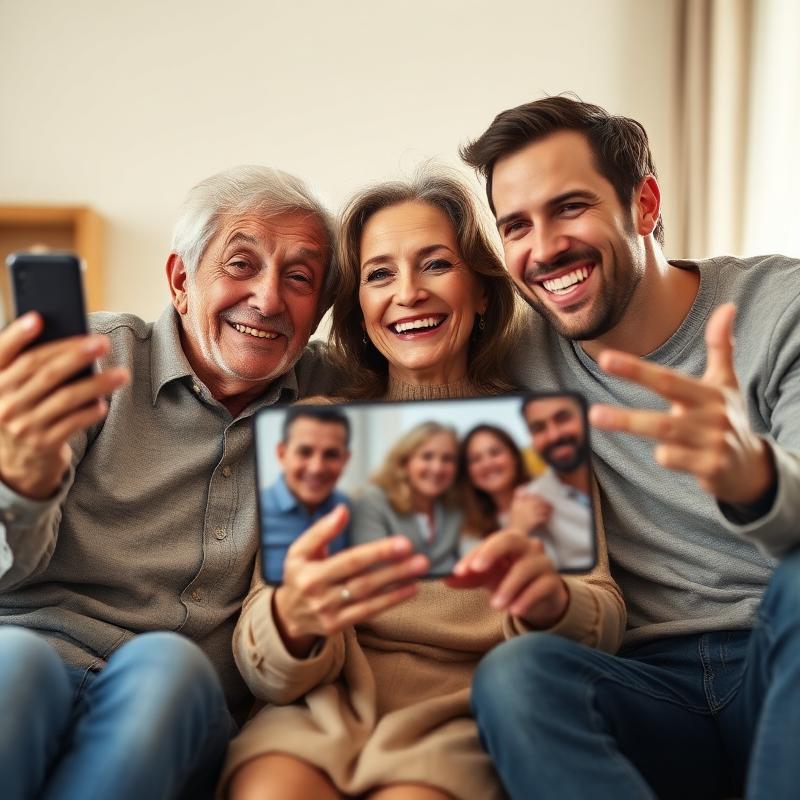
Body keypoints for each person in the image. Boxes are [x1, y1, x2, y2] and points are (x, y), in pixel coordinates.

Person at [220, 169, 625, 800]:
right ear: (360, 306)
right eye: (380, 274)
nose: (408, 293)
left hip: (457, 717)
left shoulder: (537, 433)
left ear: (482, 292)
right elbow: (262, 659)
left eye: (435, 264)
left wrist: (548, 602)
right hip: (317, 709)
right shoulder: (313, 430)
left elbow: (600, 614)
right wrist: (291, 619)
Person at [460, 95, 800, 798]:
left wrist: (753, 476)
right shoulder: (510, 362)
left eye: (570, 207)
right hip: (642, 686)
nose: (545, 248)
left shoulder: (780, 307)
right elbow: (378, 358)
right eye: (516, 225)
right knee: (516, 674)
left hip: (780, 654)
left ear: (644, 204)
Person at [0, 165, 337, 800]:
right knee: (14, 663)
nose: (267, 299)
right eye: (241, 265)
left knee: (169, 667)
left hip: (179, 699)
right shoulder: (92, 360)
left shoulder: (333, 399)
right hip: (31, 646)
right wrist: (19, 482)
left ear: (319, 311)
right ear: (181, 280)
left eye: (299, 278)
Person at [350, 421, 463, 574]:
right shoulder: (372, 501)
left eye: (448, 459)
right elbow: (374, 570)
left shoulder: (456, 506)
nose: (437, 468)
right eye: (427, 457)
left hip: (449, 596)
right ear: (404, 462)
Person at [261, 406, 351, 583]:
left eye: (331, 454)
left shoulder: (352, 509)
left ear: (345, 459)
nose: (316, 468)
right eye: (305, 452)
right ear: (282, 453)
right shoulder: (256, 511)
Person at [515, 394, 594, 570]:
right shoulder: (532, 502)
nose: (554, 436)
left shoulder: (618, 473)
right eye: (538, 428)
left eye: (563, 418)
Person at [458, 423, 541, 552]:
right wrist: (517, 530)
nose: (487, 464)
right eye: (475, 459)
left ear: (515, 457)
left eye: (495, 453)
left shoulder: (544, 497)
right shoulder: (470, 530)